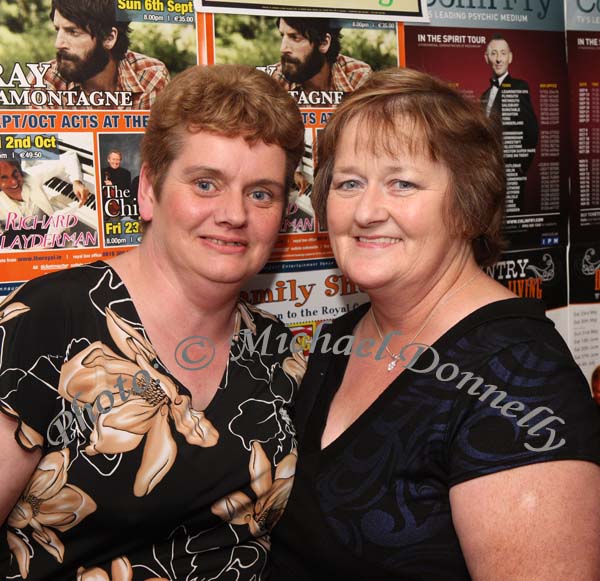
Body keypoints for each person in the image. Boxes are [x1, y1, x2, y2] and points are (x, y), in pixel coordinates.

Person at [271, 68, 600, 580]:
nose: (366, 211)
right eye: (349, 183)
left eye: (402, 183)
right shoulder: (341, 336)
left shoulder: (518, 375)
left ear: (468, 206)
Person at [0, 64, 306, 579]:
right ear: (147, 191)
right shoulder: (48, 321)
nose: (234, 213)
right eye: (206, 183)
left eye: (260, 193)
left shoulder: (279, 351)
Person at [30, 0, 169, 109]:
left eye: (73, 32)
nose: (58, 44)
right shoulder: (44, 80)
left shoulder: (150, 76)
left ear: (109, 38)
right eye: (57, 30)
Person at [481, 34, 539, 213]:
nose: (498, 59)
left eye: (503, 54)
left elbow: (531, 131)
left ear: (510, 57)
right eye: (494, 53)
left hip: (511, 171)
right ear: (486, 58)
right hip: (488, 172)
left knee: (512, 224)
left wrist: (518, 168)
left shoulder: (519, 86)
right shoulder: (485, 95)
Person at [0, 154, 90, 247]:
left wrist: (77, 182)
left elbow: (69, 156)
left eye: (15, 173)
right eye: (4, 178)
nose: (14, 182)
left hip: (52, 239)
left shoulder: (30, 176)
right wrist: (29, 251)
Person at [268, 17, 372, 93]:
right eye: (282, 35)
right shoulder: (273, 82)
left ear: (324, 43)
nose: (283, 49)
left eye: (295, 37)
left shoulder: (359, 78)